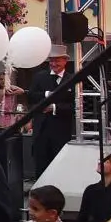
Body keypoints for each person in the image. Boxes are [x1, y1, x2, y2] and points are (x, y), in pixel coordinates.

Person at [29, 47, 75, 175]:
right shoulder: (39, 77)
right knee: (41, 163)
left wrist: (54, 107)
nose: (53, 64)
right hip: (41, 129)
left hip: (61, 130)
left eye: (57, 60)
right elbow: (31, 96)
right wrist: (47, 94)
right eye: (51, 61)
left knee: (59, 164)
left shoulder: (72, 79)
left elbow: (76, 106)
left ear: (65, 61)